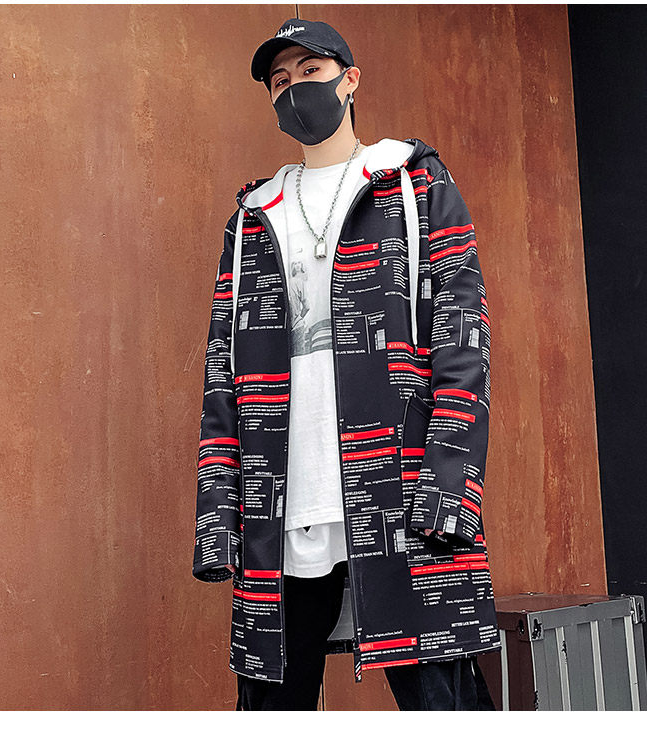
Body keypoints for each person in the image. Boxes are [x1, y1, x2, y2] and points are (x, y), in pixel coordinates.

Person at [194, 17, 499, 711]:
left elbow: (463, 341)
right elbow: (222, 374)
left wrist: (450, 486)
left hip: (399, 494)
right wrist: (219, 513)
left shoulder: (414, 183)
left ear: (350, 79)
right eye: (279, 81)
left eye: (310, 72)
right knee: (271, 705)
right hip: (278, 506)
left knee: (442, 701)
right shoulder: (253, 215)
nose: (294, 89)